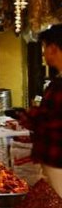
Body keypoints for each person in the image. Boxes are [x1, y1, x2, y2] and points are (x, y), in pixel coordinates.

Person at [23, 24, 62, 197]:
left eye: (45, 47)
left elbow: (53, 121)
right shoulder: (57, 81)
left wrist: (31, 117)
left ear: (53, 48)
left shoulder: (59, 86)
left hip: (57, 159)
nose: (44, 53)